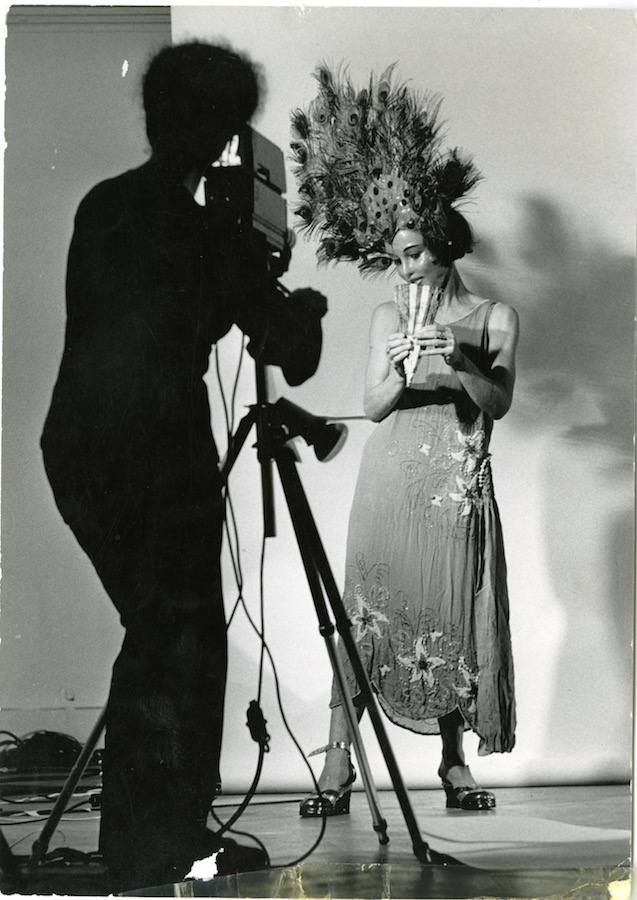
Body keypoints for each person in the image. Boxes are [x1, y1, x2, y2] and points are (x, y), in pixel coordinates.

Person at [40, 41, 326, 891]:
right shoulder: (211, 234)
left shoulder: (105, 205)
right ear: (225, 133)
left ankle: (162, 836)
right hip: (157, 454)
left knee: (166, 636)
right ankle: (149, 845)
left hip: (82, 447)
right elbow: (289, 354)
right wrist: (293, 298)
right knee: (181, 639)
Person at [289, 64, 517, 817]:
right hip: (389, 481)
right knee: (365, 614)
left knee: (445, 610)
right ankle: (335, 767)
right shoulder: (388, 321)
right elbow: (376, 406)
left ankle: (453, 766)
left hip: (453, 482)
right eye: (393, 257)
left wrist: (456, 365)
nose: (403, 268)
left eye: (414, 253)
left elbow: (499, 402)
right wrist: (396, 373)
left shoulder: (492, 318)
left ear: (446, 247)